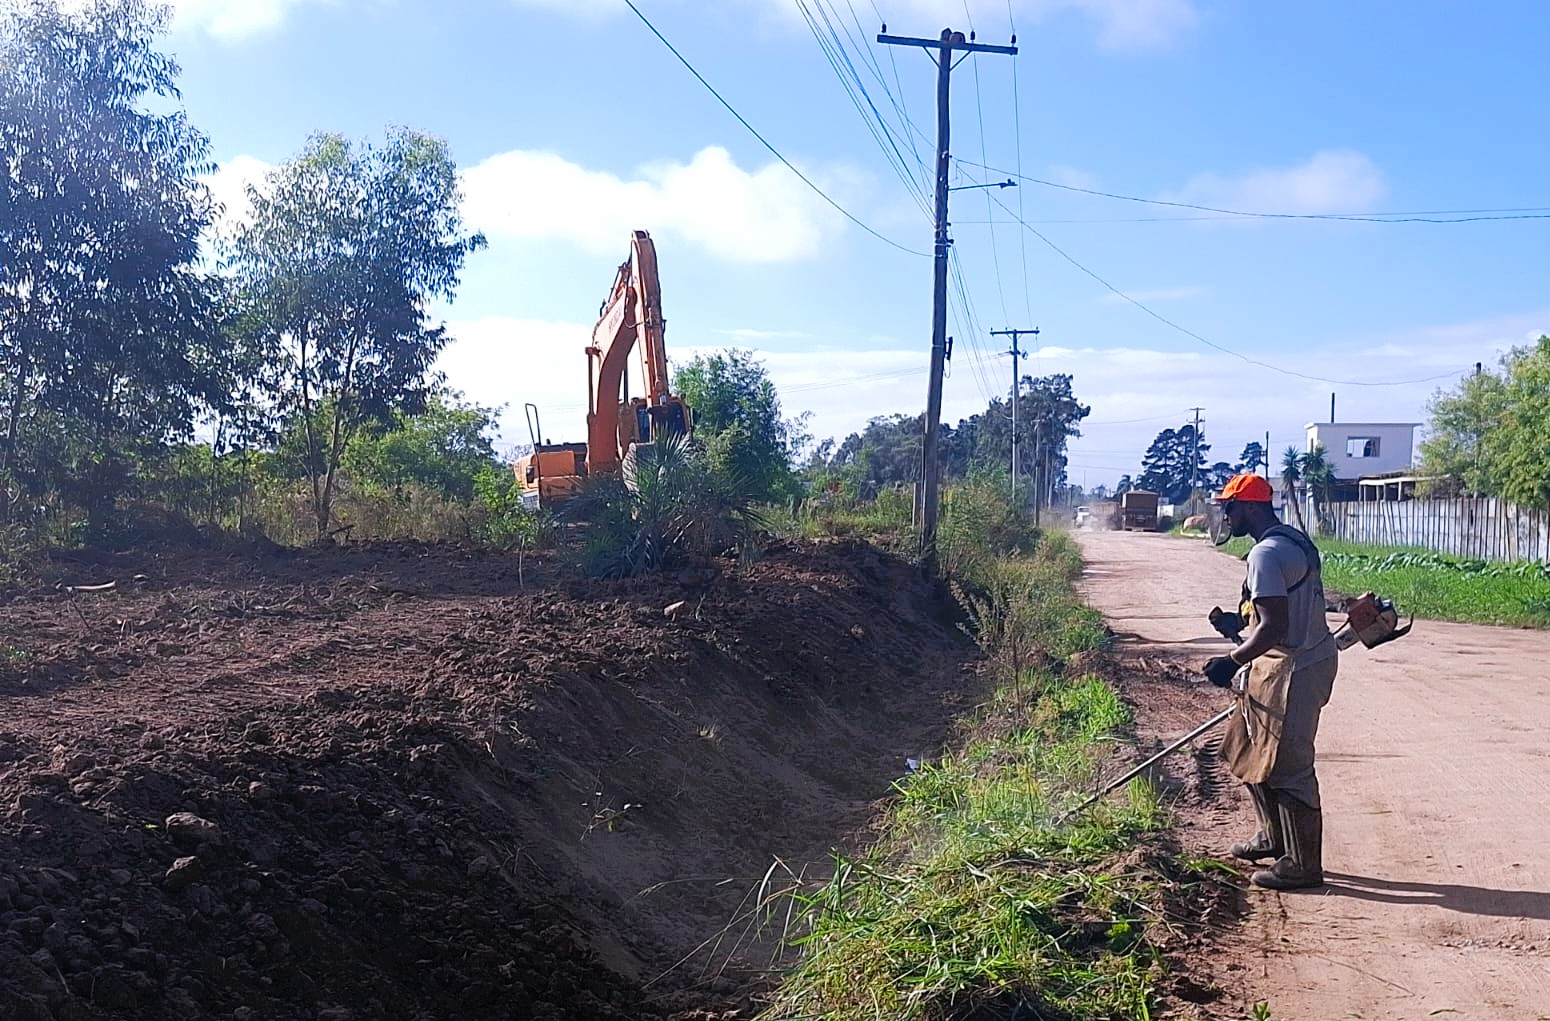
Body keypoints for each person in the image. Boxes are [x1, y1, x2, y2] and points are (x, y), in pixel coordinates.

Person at [1201, 473, 1338, 890]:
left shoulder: (1265, 553)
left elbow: (1276, 625)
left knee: (1289, 766)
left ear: (1250, 507)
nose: (1226, 515)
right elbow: (1276, 611)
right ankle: (1273, 837)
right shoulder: (1291, 541)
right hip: (1284, 663)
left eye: (1230, 507)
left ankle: (1303, 864)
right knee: (1247, 748)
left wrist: (1231, 660)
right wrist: (1239, 623)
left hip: (1295, 669)